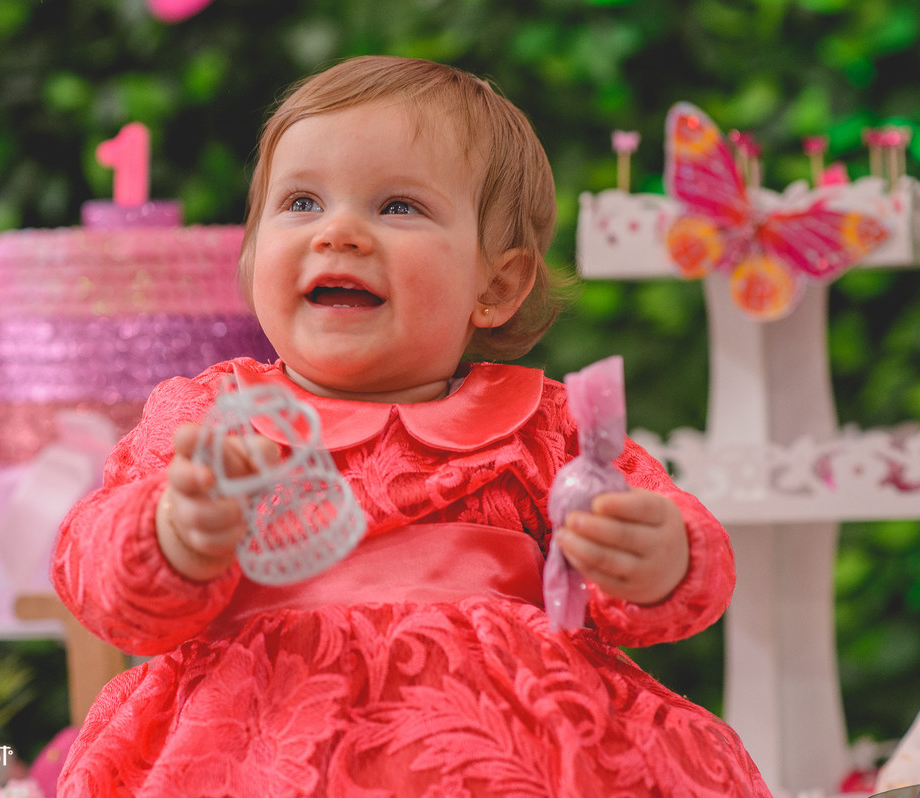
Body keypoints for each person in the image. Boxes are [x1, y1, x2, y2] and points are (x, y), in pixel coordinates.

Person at [52, 55, 769, 797]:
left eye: (398, 207)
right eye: (300, 203)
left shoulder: (546, 425)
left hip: (514, 747)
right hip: (259, 743)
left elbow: (676, 564)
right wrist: (173, 533)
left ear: (496, 285)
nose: (339, 232)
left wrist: (659, 558)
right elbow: (96, 576)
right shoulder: (212, 422)